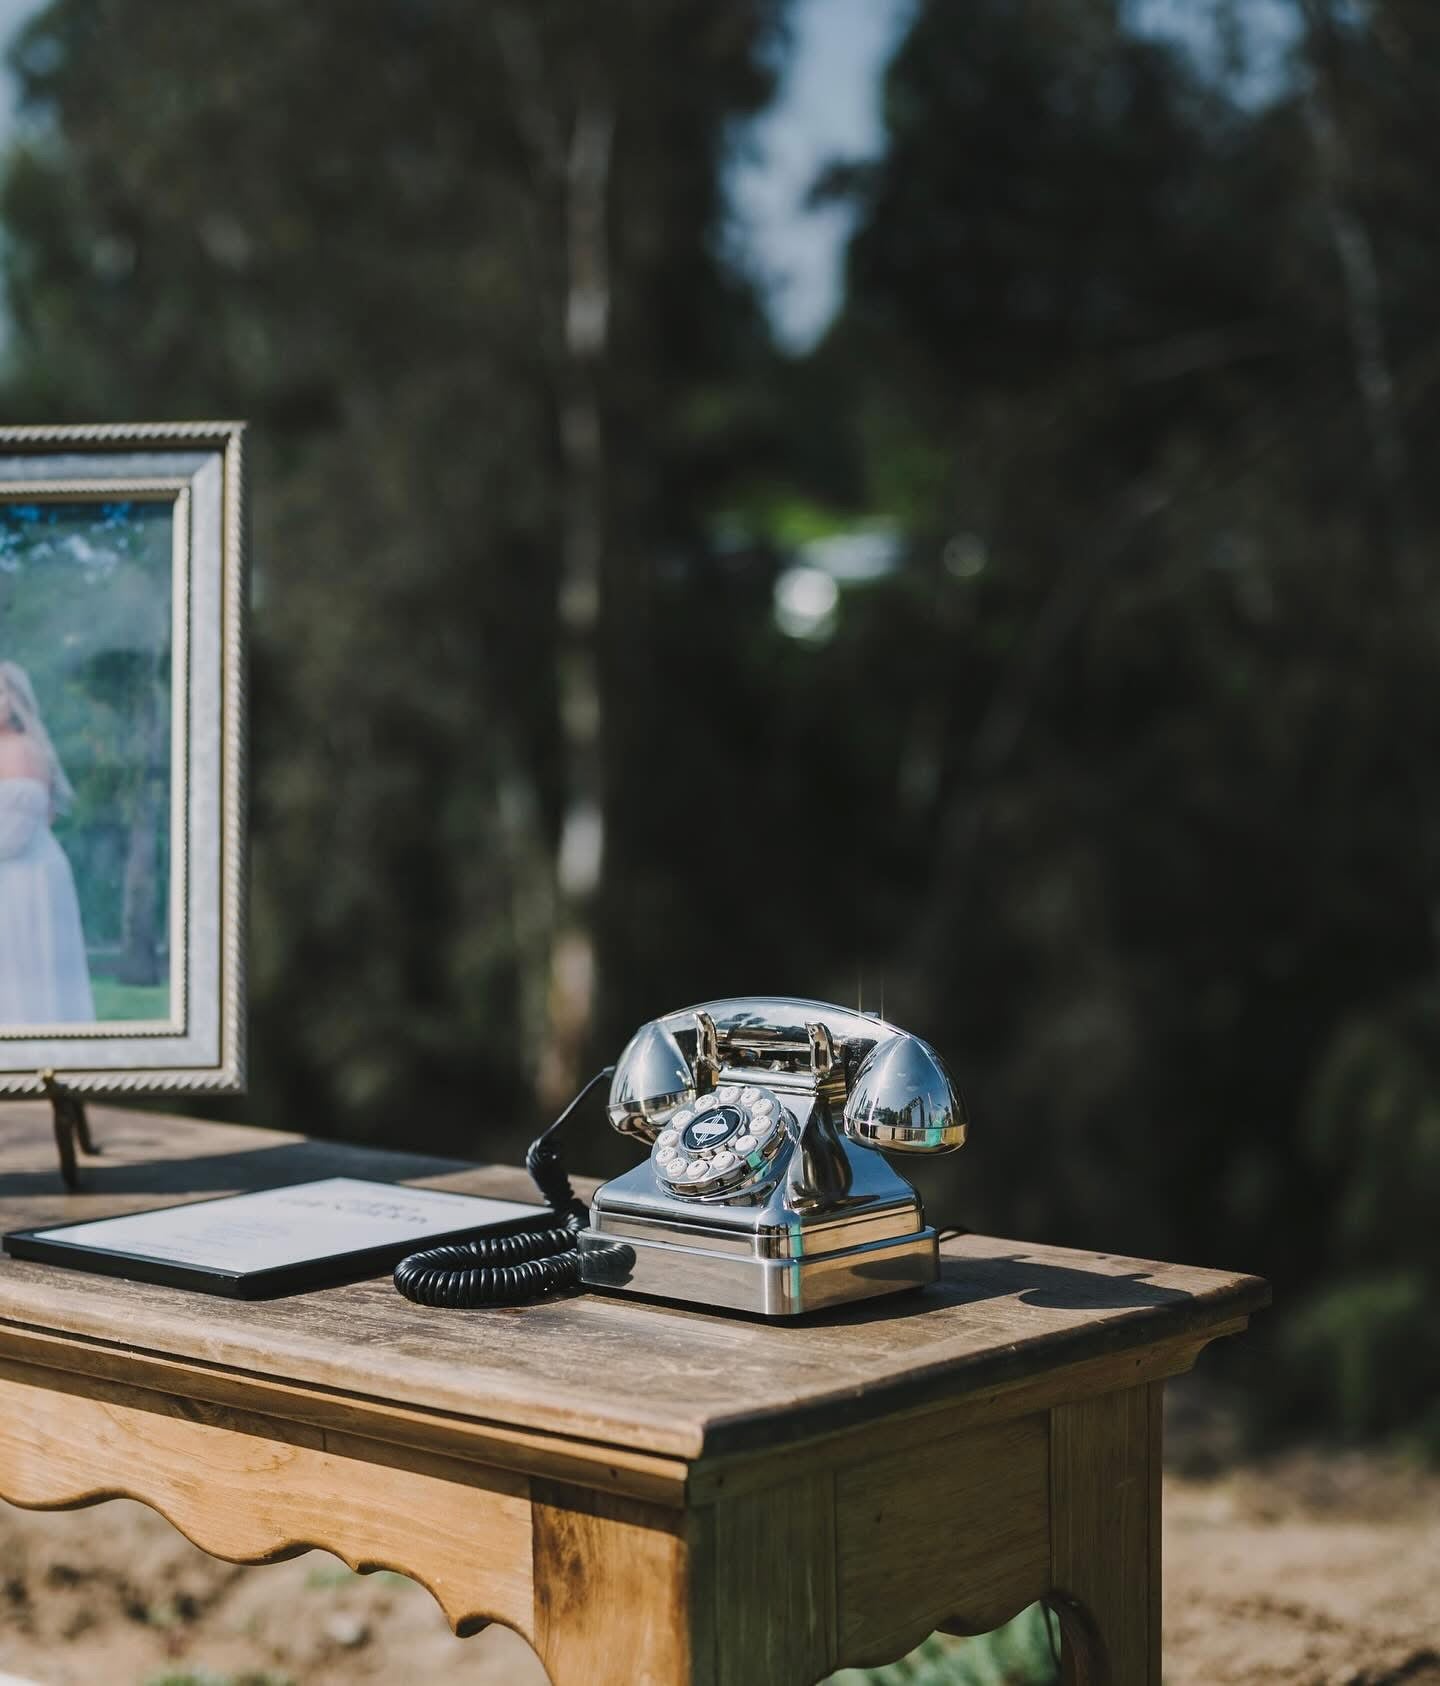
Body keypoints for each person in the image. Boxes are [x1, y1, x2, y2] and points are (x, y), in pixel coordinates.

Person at [0, 660, 95, 1023]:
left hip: (23, 879)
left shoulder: (21, 751)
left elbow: (11, 834)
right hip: (18, 874)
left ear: (15, 701)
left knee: (24, 977)